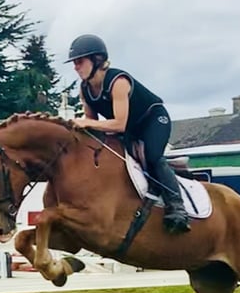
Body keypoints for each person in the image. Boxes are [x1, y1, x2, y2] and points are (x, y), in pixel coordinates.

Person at [66, 34, 190, 234]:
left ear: (96, 60)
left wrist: (86, 122)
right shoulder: (85, 89)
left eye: (79, 61)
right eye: (74, 63)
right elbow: (93, 126)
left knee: (151, 156)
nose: (75, 67)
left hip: (153, 120)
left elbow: (119, 124)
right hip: (131, 127)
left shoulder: (118, 81)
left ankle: (177, 207)